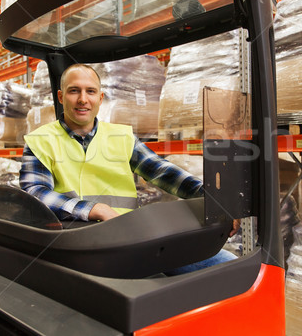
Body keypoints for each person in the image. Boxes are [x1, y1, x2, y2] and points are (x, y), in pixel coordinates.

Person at [20, 63, 239, 274]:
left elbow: (163, 171)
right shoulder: (41, 140)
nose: (83, 99)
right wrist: (94, 209)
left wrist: (212, 198)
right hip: (75, 245)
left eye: (91, 91)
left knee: (230, 267)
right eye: (74, 91)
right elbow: (35, 193)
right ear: (60, 97)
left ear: (100, 98)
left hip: (129, 239)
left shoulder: (121, 136)